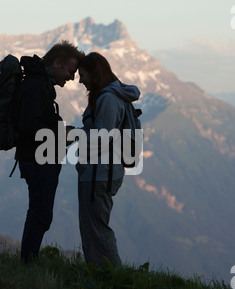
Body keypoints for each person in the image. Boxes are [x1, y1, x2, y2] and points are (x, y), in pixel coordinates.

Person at [15, 40, 85, 264]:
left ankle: (28, 261)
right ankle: (28, 264)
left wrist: (60, 131)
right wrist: (61, 134)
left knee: (39, 213)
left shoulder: (39, 85)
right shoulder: (36, 87)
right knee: (40, 214)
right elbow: (29, 126)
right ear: (57, 63)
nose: (72, 77)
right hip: (37, 160)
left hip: (39, 158)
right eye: (70, 71)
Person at [76, 52, 141, 267]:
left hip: (99, 173)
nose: (80, 80)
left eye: (83, 75)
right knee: (92, 227)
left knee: (97, 228)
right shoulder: (110, 96)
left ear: (94, 74)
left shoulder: (108, 99)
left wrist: (74, 135)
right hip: (101, 172)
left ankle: (113, 277)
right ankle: (98, 274)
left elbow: (102, 139)